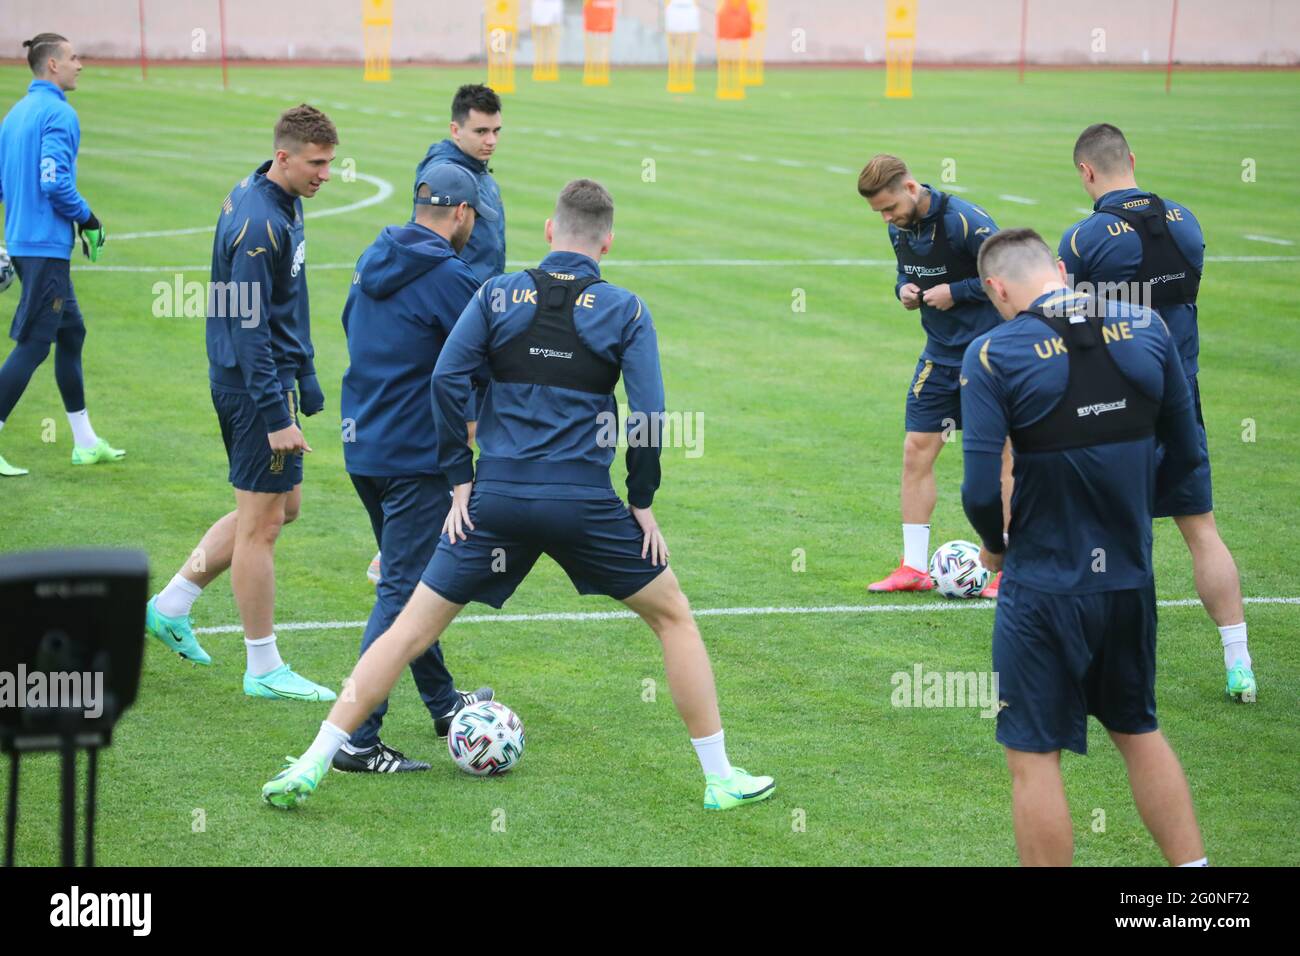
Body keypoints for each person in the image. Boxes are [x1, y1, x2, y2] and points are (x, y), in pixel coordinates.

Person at [262, 179, 774, 811]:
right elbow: (650, 414)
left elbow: (447, 376)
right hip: (584, 504)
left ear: (549, 231)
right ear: (607, 243)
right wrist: (640, 498)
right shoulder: (627, 309)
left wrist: (458, 478)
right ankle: (720, 778)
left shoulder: (495, 292)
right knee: (673, 619)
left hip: (495, 500)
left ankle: (314, 761)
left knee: (403, 632)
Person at [961, 228, 1207, 866]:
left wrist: (994, 549)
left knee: (1034, 757)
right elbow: (1186, 450)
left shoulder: (991, 354)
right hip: (1128, 578)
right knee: (1139, 730)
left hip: (1042, 588)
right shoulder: (1148, 327)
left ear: (995, 288)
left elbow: (981, 490)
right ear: (1062, 271)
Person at [143, 105, 337, 702]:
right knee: (263, 526)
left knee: (284, 508)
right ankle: (263, 667)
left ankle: (171, 604)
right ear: (284, 156)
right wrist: (277, 414)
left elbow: (287, 302)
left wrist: (303, 372)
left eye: (329, 162)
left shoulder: (280, 196)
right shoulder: (259, 223)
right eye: (317, 163)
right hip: (254, 386)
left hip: (271, 377)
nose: (326, 174)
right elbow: (249, 326)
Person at [1059, 123, 1255, 703]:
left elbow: (1071, 323)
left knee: (1107, 536)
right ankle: (1238, 662)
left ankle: (1104, 667)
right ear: (1133, 160)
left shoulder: (1084, 238)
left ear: (1086, 172)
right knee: (1202, 532)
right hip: (1180, 397)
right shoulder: (1187, 223)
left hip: (1113, 404)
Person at [334, 165, 497, 773]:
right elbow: (481, 363)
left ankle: (441, 701)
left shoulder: (371, 255)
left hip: (365, 446)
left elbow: (352, 328)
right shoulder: (451, 279)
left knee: (409, 579)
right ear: (462, 215)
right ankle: (356, 736)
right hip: (416, 458)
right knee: (405, 589)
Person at [361, 83, 509, 585]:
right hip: (456, 322)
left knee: (478, 433)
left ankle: (421, 544)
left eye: (496, 131)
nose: (490, 140)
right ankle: (407, 550)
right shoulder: (443, 177)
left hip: (472, 312)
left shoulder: (477, 173)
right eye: (480, 131)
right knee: (465, 432)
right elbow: (425, 245)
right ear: (455, 129)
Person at [857, 154, 1009, 597]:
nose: (886, 218)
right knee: (915, 451)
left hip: (988, 354)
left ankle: (1007, 570)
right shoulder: (897, 227)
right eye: (879, 213)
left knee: (1004, 457)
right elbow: (909, 268)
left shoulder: (966, 221)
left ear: (910, 187)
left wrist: (956, 292)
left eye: (889, 207)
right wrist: (902, 288)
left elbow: (1007, 273)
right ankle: (914, 567)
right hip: (939, 356)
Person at [0, 32, 119, 477]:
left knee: (73, 334)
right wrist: (88, 218)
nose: (80, 64)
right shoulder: (58, 114)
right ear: (52, 65)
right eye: (73, 58)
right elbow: (54, 182)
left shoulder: (14, 115)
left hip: (26, 242)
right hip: (45, 248)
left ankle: (85, 442)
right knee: (33, 345)